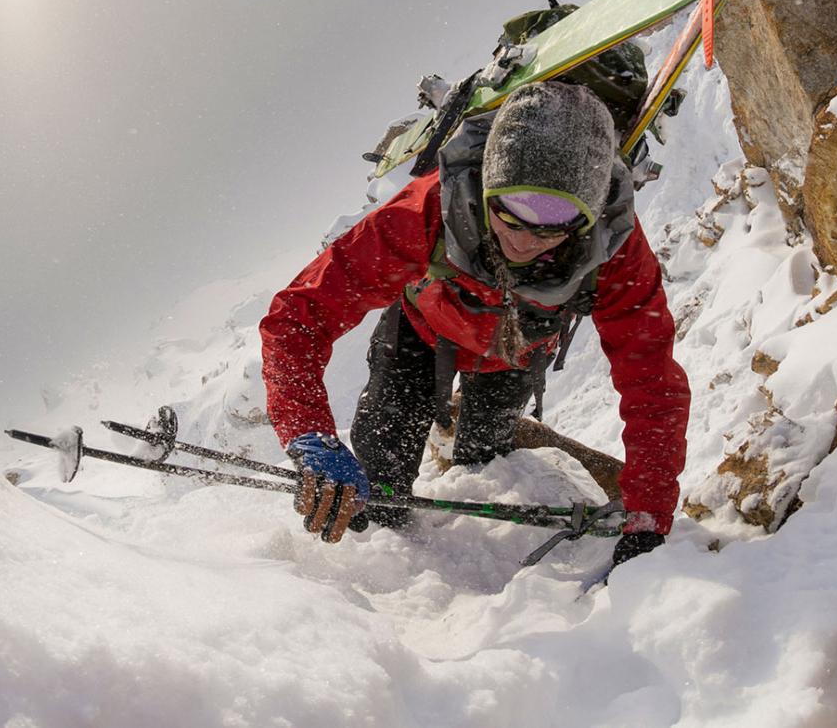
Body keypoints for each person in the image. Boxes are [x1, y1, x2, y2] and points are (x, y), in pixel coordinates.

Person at [259, 82, 690, 574]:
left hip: (517, 351)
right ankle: (381, 571)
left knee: (485, 452)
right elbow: (298, 318)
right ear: (485, 185)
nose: (525, 239)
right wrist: (309, 432)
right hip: (419, 335)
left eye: (556, 220)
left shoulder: (615, 251)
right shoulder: (426, 210)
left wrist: (649, 513)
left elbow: (651, 381)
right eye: (512, 209)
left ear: (589, 215)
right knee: (379, 481)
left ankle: (467, 438)